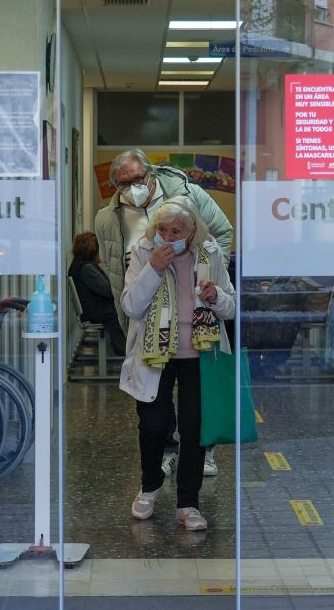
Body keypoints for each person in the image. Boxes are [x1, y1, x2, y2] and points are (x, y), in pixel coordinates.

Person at [95, 149, 233, 477]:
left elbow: (223, 233)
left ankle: (203, 452)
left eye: (138, 179)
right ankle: (168, 452)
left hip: (193, 314)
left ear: (151, 174)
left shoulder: (189, 195)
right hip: (147, 314)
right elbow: (113, 270)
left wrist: (211, 275)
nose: (132, 188)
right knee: (155, 397)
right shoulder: (107, 218)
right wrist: (126, 311)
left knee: (197, 398)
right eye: (123, 184)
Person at [119, 197, 235, 531]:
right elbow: (130, 305)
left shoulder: (209, 254)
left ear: (192, 231)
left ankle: (188, 503)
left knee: (196, 429)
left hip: (199, 354)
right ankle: (150, 486)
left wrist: (217, 298)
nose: (168, 237)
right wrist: (153, 269)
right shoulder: (143, 252)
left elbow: (231, 306)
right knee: (153, 426)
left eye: (177, 231)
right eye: (162, 229)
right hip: (155, 354)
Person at [68, 232, 126, 356]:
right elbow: (107, 291)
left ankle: (126, 350)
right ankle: (126, 351)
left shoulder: (80, 265)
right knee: (125, 312)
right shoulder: (87, 268)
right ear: (93, 251)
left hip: (93, 309)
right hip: (98, 311)